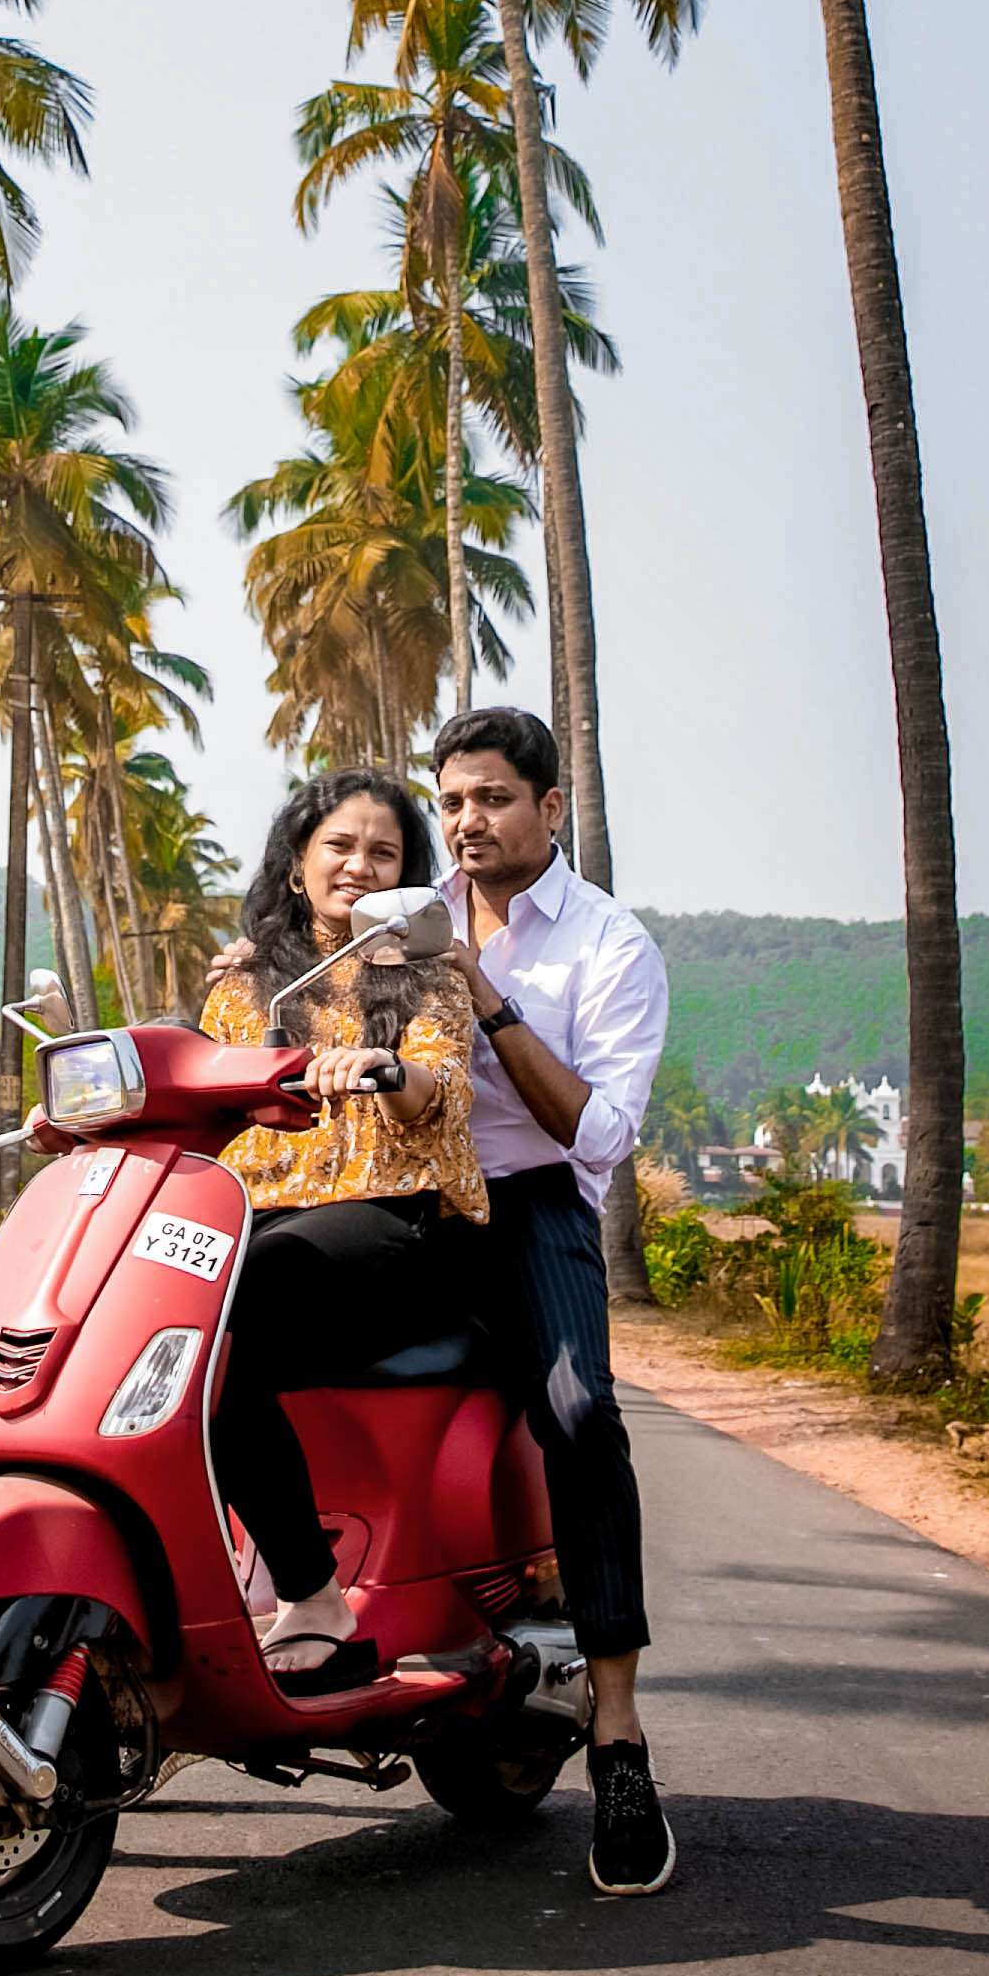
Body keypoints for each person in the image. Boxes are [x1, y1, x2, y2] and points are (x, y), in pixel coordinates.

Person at [423, 705, 675, 1899]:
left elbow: (601, 1133)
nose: (468, 821)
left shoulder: (610, 946)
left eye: (492, 798)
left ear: (550, 808)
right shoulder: (402, 914)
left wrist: (483, 996)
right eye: (454, 799)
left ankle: (617, 1735)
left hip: (532, 1207)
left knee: (580, 1413)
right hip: (408, 1200)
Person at [195, 768, 488, 1697]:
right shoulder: (243, 982)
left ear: (409, 880)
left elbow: (439, 1089)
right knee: (155, 1322)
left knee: (222, 1322)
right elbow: (205, 1095)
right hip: (268, 1222)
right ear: (296, 865)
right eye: (340, 846)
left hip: (400, 1223)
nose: (359, 866)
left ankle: (313, 1597)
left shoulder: (429, 972)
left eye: (385, 853)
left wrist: (386, 1068)